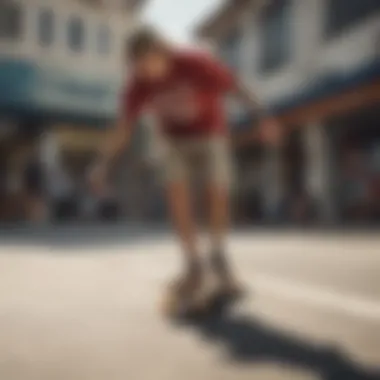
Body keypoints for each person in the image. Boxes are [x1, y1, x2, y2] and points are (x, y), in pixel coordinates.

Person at [88, 28, 280, 307]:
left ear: (160, 53)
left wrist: (262, 117)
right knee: (176, 192)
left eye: (146, 66)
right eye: (137, 68)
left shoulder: (195, 62)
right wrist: (102, 164)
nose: (144, 74)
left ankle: (217, 255)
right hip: (173, 139)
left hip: (209, 132)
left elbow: (234, 86)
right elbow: (125, 128)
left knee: (217, 188)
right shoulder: (137, 83)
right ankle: (192, 264)